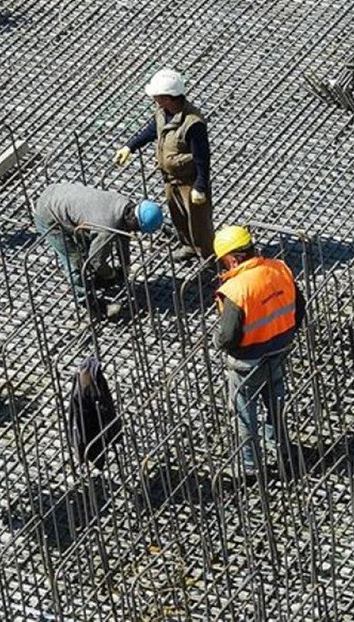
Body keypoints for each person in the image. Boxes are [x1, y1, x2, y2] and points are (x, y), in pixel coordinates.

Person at [211, 225, 306, 478]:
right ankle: (282, 451)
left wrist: (217, 341)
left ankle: (250, 466)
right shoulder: (279, 269)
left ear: (231, 258)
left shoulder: (236, 289)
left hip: (247, 360)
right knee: (276, 402)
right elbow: (300, 308)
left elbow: (228, 336)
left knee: (244, 411)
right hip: (280, 348)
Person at [113, 68, 214, 262]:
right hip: (170, 178)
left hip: (190, 181)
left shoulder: (193, 122)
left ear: (170, 97)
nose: (155, 100)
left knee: (199, 223)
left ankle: (207, 256)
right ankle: (188, 247)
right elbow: (152, 131)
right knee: (178, 217)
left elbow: (202, 156)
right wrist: (130, 147)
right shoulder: (163, 112)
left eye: (158, 96)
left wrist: (200, 185)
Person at [34, 182, 164, 320]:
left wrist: (125, 264)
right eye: (138, 229)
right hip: (48, 214)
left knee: (88, 247)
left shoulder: (125, 205)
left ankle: (95, 281)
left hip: (59, 192)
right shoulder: (106, 229)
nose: (136, 232)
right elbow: (96, 261)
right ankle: (90, 304)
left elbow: (123, 234)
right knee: (76, 262)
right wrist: (111, 275)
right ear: (135, 221)